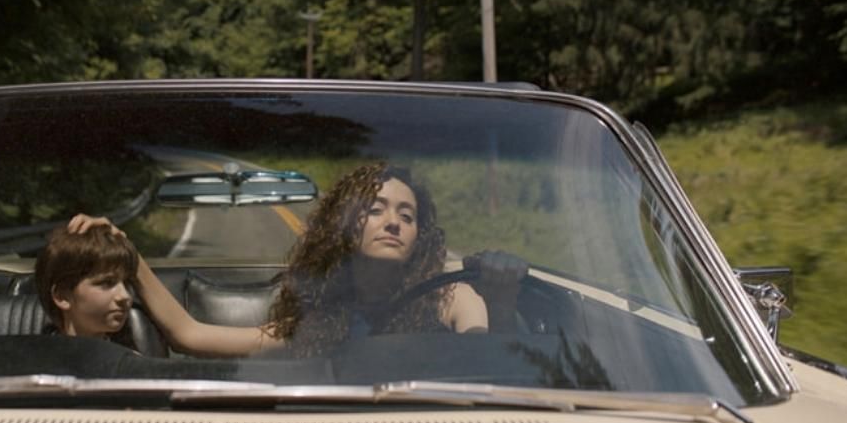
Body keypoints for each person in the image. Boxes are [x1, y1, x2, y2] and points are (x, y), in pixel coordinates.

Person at [69, 162, 524, 358]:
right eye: (375, 210)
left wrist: (502, 300)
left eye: (407, 216)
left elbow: (490, 362)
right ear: (345, 226)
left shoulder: (450, 297)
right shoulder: (321, 323)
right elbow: (191, 335)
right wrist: (130, 255)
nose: (393, 223)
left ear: (419, 236)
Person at [34, 223, 138, 341]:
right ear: (63, 296)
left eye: (127, 283)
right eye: (107, 283)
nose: (125, 296)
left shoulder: (129, 353)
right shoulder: (31, 353)